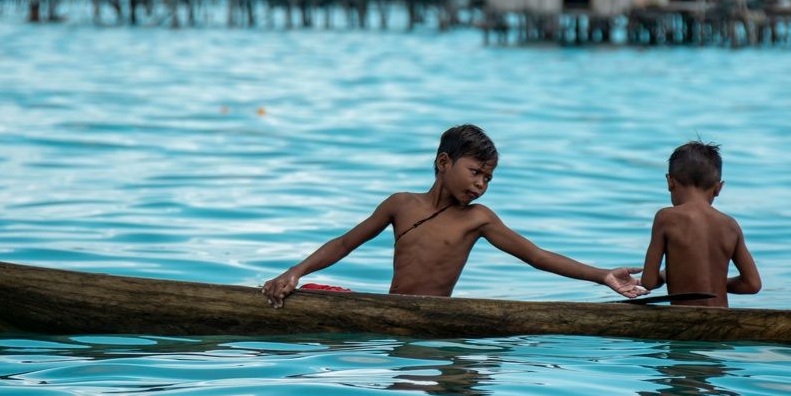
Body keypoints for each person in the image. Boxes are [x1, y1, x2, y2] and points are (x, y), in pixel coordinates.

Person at [263, 124, 645, 307]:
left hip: (435, 315)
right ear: (444, 163)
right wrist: (295, 273)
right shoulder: (400, 204)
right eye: (475, 172)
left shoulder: (478, 219)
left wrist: (602, 276)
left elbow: (537, 256)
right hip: (394, 309)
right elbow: (346, 243)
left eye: (488, 178)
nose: (480, 184)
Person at [641, 141, 761, 307]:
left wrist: (663, 276)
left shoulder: (665, 218)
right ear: (718, 188)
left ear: (670, 181)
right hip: (722, 322)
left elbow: (648, 281)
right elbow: (752, 284)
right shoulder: (730, 225)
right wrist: (715, 284)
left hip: (684, 322)